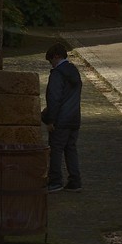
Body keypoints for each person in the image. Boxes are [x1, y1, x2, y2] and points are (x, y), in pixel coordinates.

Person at [41, 42, 82, 193]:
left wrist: (50, 119)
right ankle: (75, 180)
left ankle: (55, 181)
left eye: (51, 61)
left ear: (56, 56)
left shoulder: (57, 74)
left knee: (56, 150)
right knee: (71, 149)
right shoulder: (74, 72)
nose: (51, 65)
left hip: (61, 119)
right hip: (74, 118)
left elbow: (54, 99)